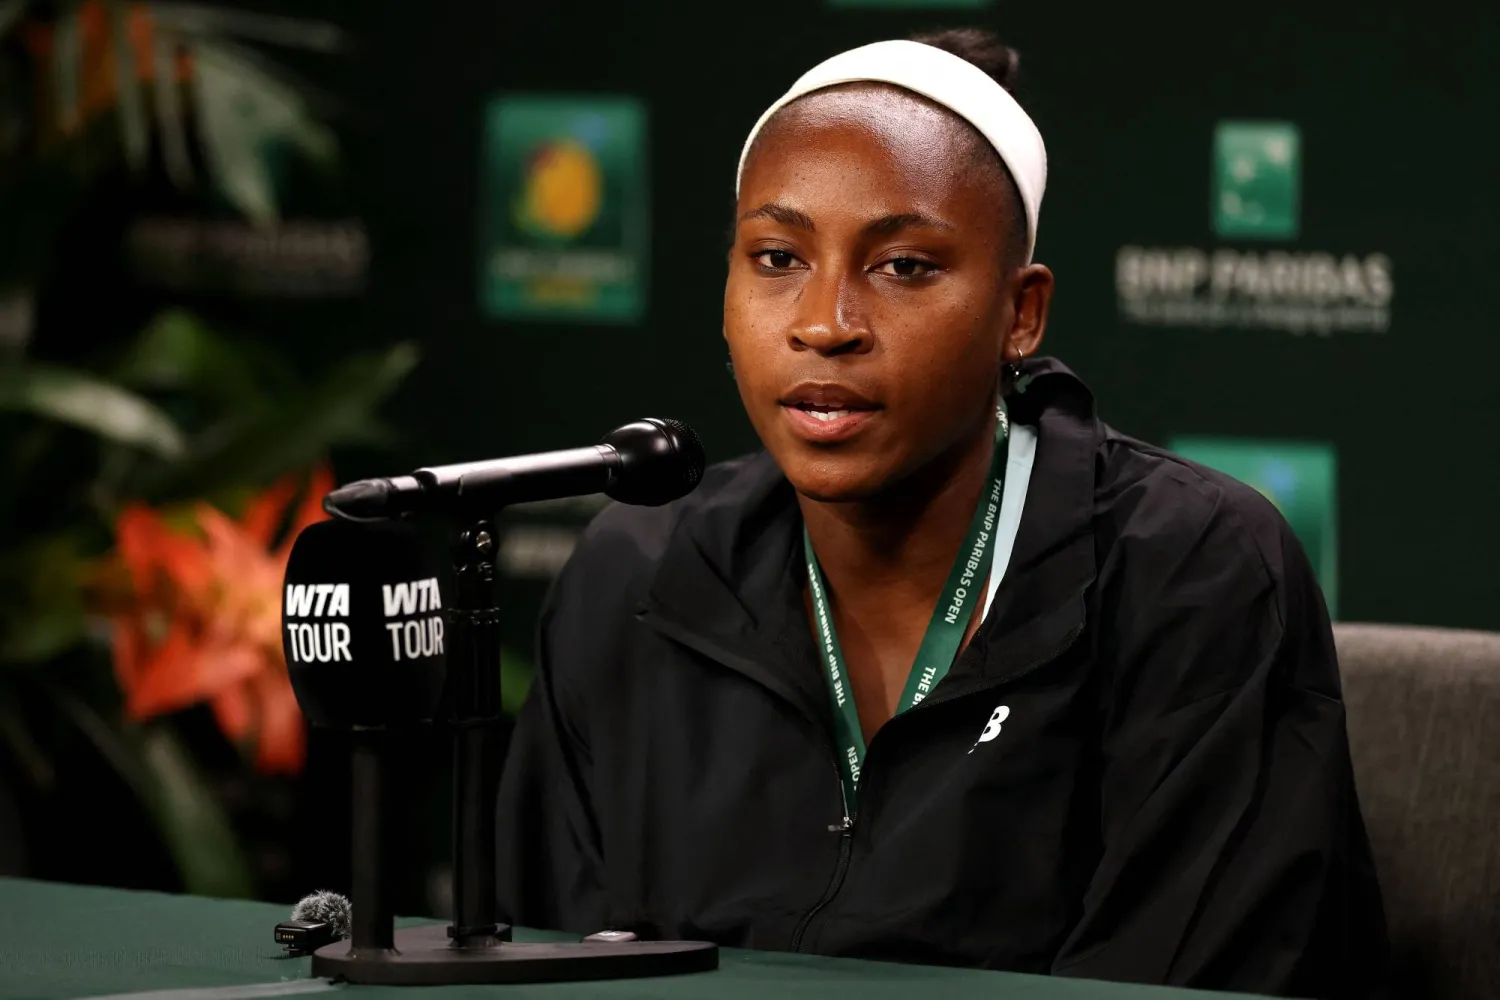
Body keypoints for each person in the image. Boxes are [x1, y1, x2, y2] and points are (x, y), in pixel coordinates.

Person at [495, 28, 1388, 997]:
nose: (825, 321)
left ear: (1021, 313)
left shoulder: (1191, 571)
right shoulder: (636, 573)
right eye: (778, 255)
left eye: (905, 266)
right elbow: (543, 960)